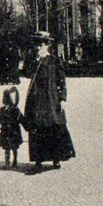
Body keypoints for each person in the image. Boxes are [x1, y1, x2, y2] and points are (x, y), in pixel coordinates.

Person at [21, 31, 75, 173]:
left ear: (47, 45)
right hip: (36, 98)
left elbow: (61, 81)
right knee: (37, 129)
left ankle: (56, 159)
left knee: (53, 127)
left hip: (51, 98)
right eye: (36, 44)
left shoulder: (55, 61)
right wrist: (35, 60)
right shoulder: (33, 60)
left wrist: (63, 98)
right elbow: (26, 74)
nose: (38, 47)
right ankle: (38, 161)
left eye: (41, 44)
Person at [0, 86, 24, 169]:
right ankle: (7, 163)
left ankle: (15, 161)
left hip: (13, 132)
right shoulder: (3, 109)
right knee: (7, 148)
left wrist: (28, 126)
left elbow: (22, 120)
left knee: (14, 148)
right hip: (6, 131)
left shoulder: (16, 110)